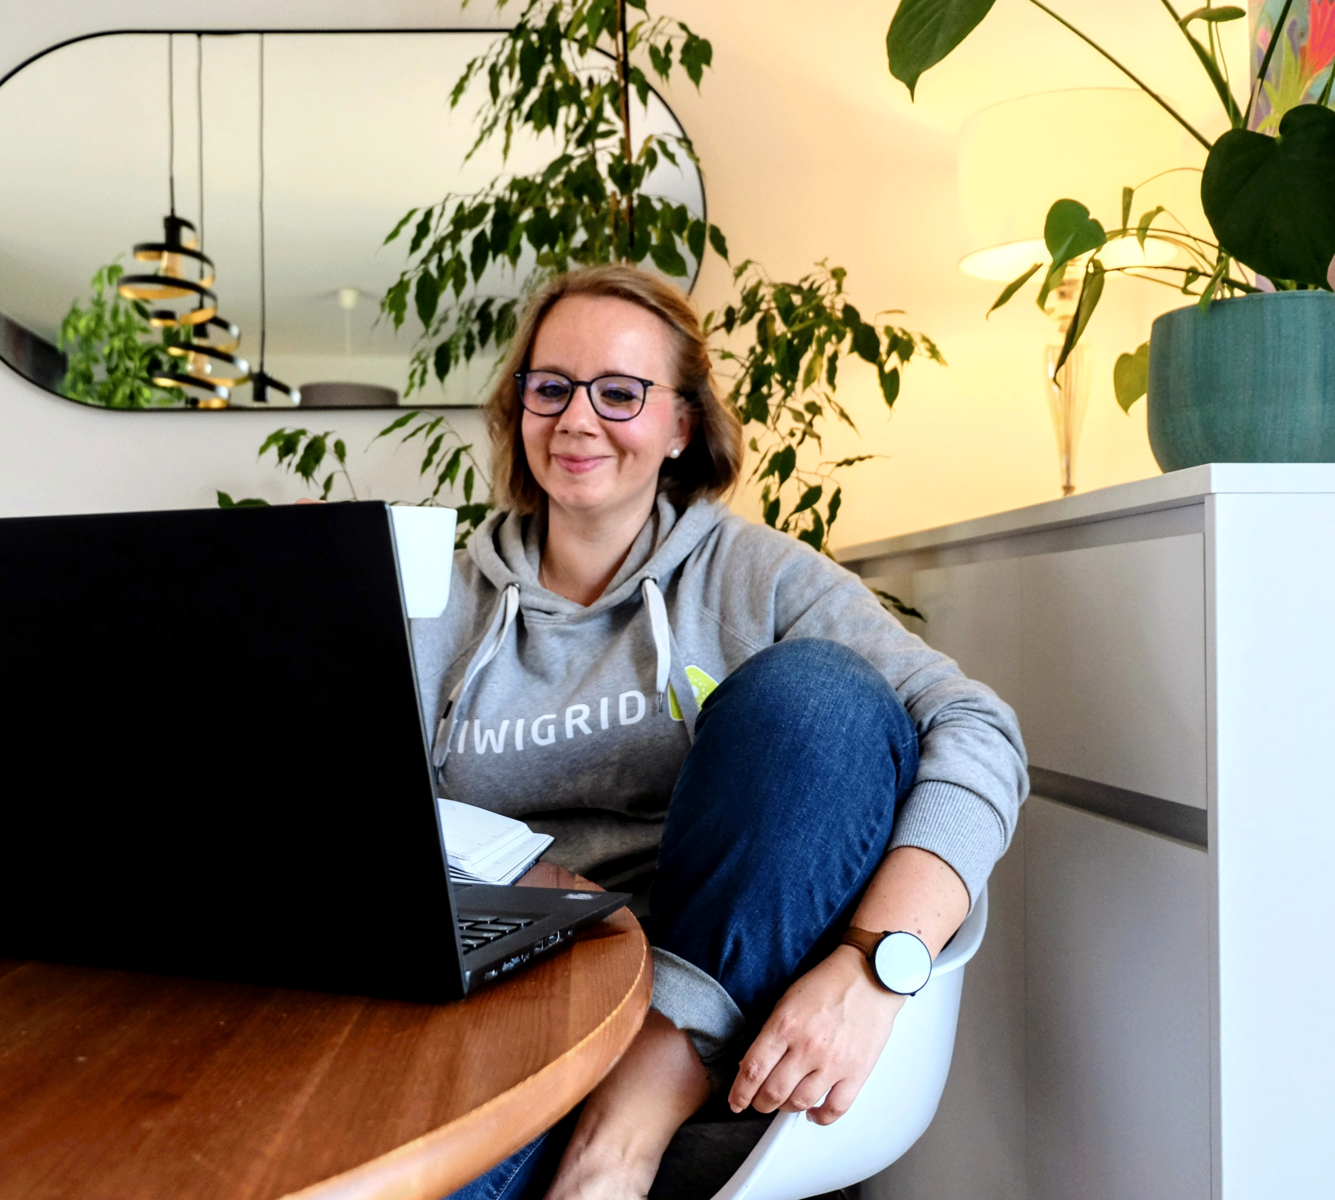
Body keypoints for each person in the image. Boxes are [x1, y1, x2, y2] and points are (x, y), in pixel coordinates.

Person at [410, 263, 1026, 1200]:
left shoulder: (755, 575)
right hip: (494, 1005)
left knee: (818, 699)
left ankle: (624, 1131)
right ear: (518, 408)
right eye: (550, 387)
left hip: (704, 1003)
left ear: (681, 426)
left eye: (620, 392)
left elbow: (977, 728)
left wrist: (876, 965)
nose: (577, 420)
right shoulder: (437, 599)